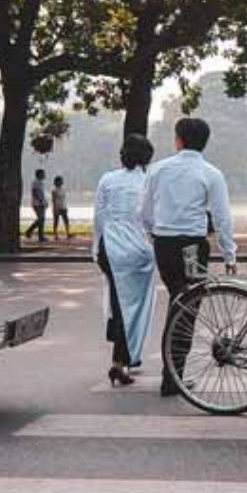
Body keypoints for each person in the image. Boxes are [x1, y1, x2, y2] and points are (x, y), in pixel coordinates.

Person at [143, 116, 239, 396]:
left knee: (177, 301)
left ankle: (171, 375)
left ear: (178, 140)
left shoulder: (157, 170)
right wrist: (229, 254)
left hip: (164, 244)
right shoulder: (211, 173)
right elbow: (222, 217)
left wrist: (154, 235)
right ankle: (173, 376)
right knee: (186, 309)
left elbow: (144, 212)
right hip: (193, 247)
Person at [95, 135, 157, 387]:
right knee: (134, 308)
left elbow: (99, 218)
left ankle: (122, 357)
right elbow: (151, 220)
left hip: (109, 248)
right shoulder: (149, 181)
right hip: (138, 251)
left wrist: (96, 250)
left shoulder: (107, 179)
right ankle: (121, 360)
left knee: (117, 303)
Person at [26, 169, 48, 242]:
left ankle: (39, 235)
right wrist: (40, 200)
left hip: (41, 203)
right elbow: (34, 192)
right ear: (39, 175)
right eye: (43, 174)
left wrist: (44, 201)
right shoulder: (35, 182)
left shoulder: (41, 183)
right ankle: (31, 232)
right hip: (37, 203)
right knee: (41, 219)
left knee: (41, 219)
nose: (44, 175)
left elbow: (42, 194)